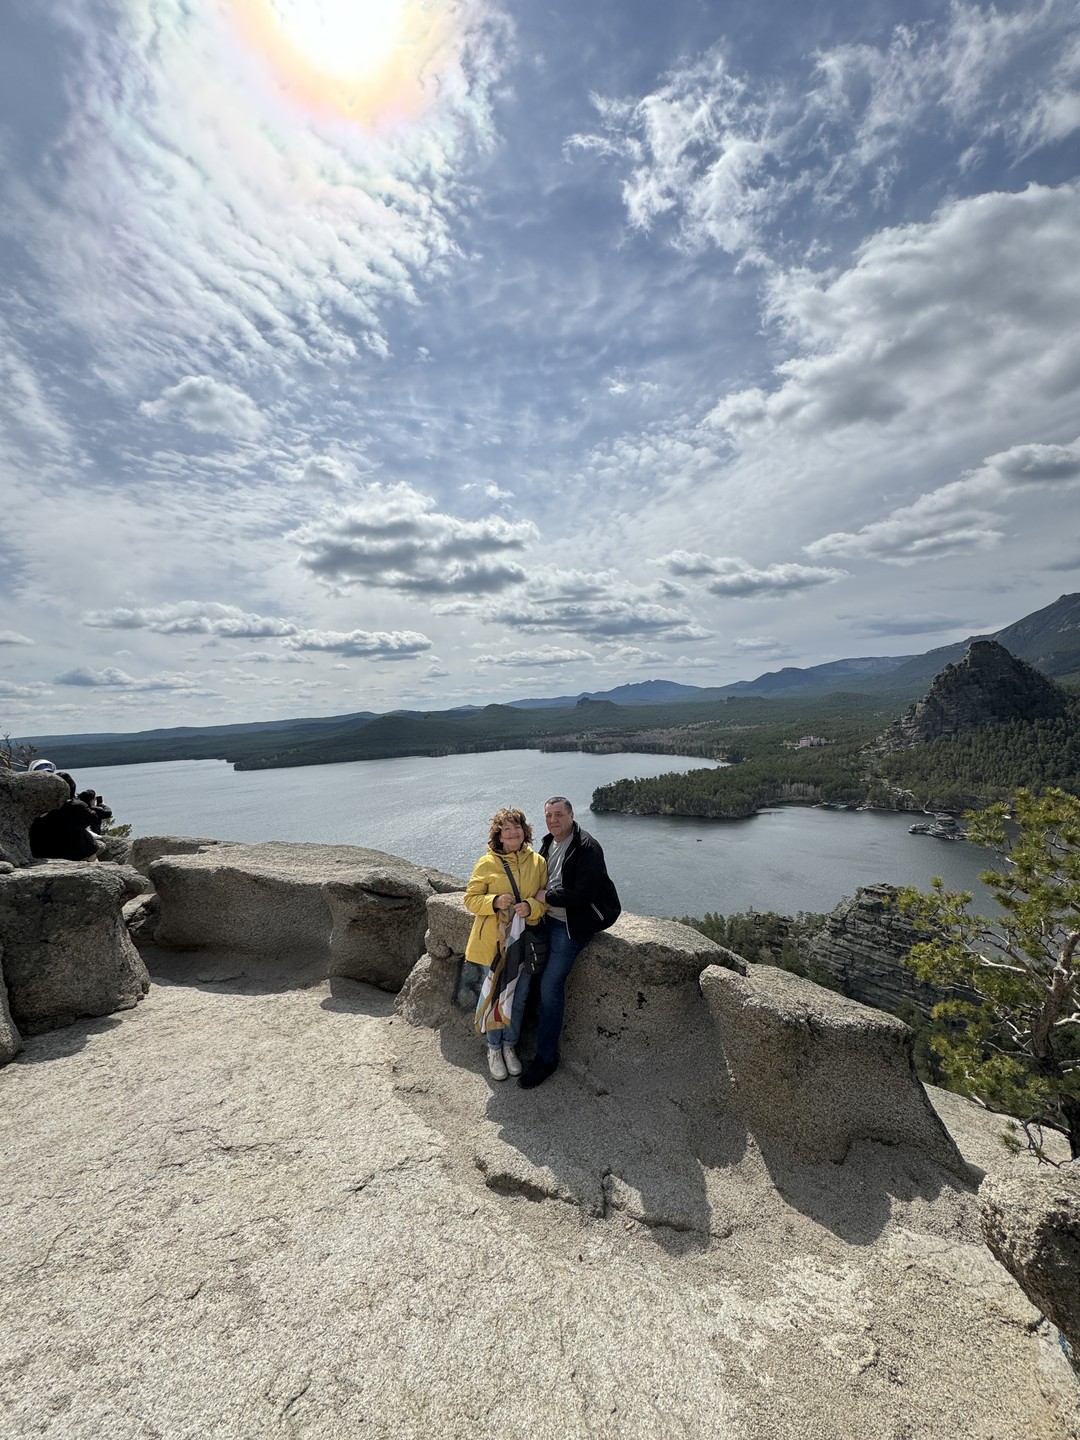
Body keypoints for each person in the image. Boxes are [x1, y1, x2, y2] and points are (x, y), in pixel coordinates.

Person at [519, 795, 621, 1090]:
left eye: (559, 815)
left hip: (570, 926)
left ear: (572, 815)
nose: (553, 820)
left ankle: (547, 1057)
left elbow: (584, 895)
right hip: (545, 919)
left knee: (551, 986)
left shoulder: (586, 847)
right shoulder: (549, 843)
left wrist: (547, 897)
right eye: (548, 815)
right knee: (531, 977)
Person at [463, 806, 547, 1081]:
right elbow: (470, 900)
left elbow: (543, 897)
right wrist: (495, 902)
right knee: (495, 998)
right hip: (493, 946)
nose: (512, 833)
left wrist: (531, 907)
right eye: (506, 829)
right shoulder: (487, 863)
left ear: (525, 831)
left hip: (522, 943)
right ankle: (494, 1048)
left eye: (517, 827)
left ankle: (510, 1046)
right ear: (498, 835)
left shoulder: (537, 862)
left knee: (519, 996)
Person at [28, 773, 100, 862]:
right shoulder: (76, 806)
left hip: (43, 853)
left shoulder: (36, 807)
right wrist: (90, 805)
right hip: (78, 852)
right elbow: (92, 818)